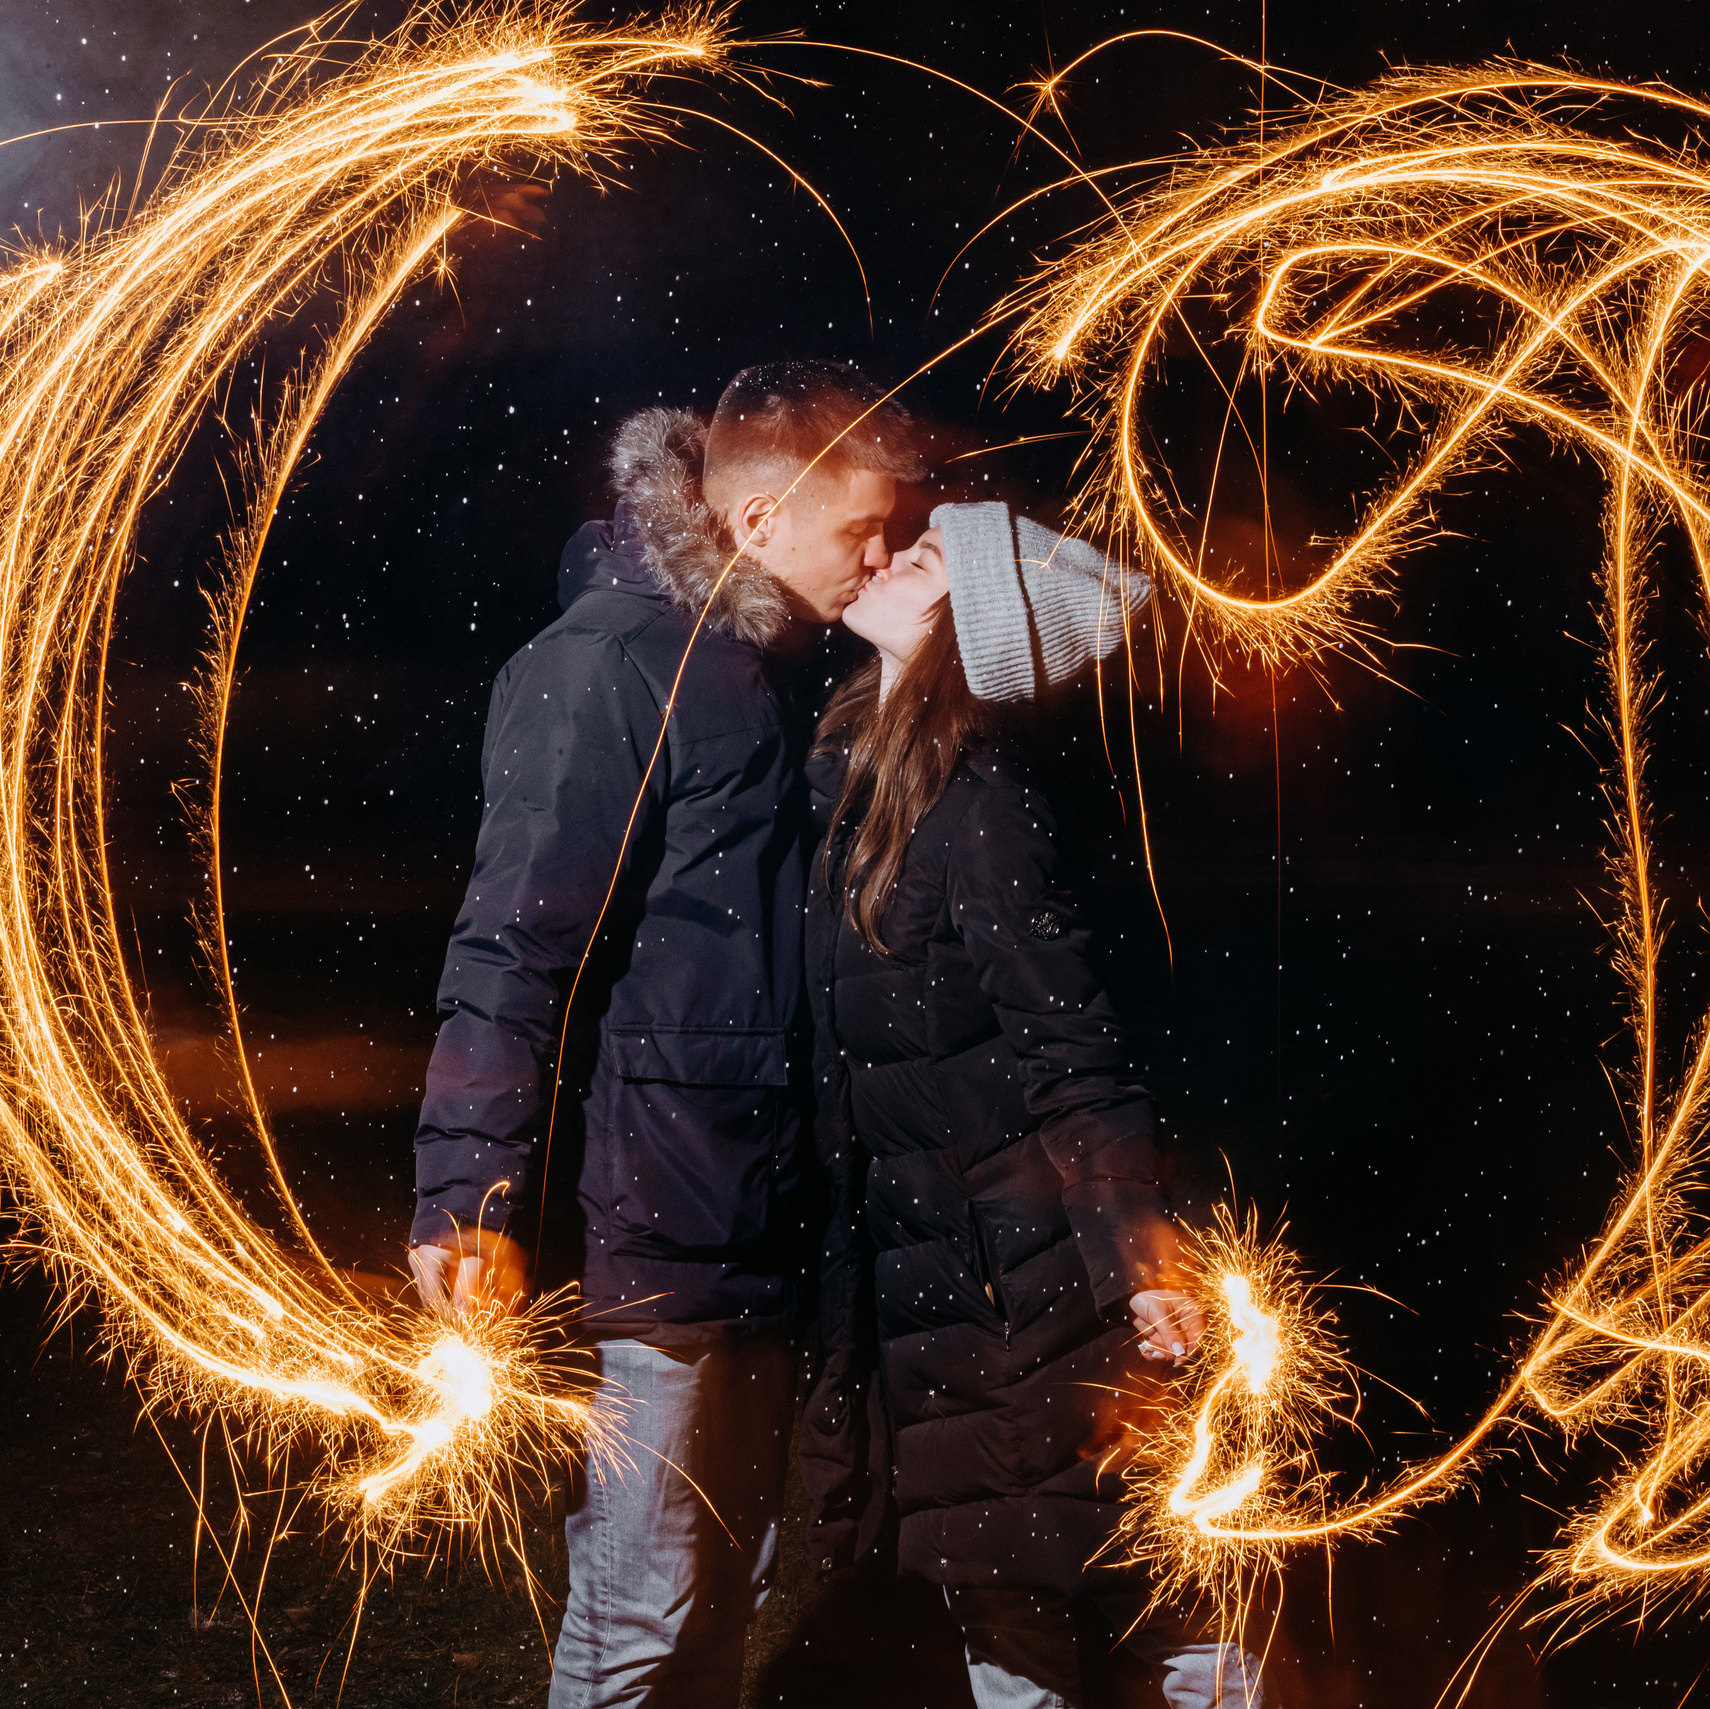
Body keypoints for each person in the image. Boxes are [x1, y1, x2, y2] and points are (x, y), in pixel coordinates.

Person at [406, 360, 917, 1709]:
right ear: (755, 526)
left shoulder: (757, 661)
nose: (886, 552)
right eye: (860, 529)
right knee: (645, 1605)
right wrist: (472, 1190)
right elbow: (512, 944)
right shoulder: (610, 666)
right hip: (654, 1211)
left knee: (731, 1590)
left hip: (750, 1197)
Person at [798, 502, 1273, 1708]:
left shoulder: (980, 804)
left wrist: (1137, 1254)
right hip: (952, 1292)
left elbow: (1073, 1046)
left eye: (927, 560)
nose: (891, 554)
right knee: (1014, 1611)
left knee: (1112, 1601)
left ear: (974, 632)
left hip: (1033, 1296)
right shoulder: (872, 783)